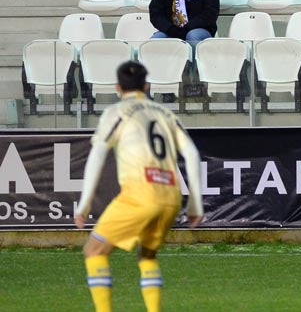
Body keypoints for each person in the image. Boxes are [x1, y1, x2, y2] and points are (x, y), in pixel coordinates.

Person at [74, 61, 204, 312]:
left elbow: (98, 154)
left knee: (94, 250)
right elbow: (191, 153)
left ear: (117, 87)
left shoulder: (117, 111)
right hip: (170, 196)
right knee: (147, 255)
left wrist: (85, 203)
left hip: (140, 194)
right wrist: (195, 202)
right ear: (146, 86)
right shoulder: (165, 113)